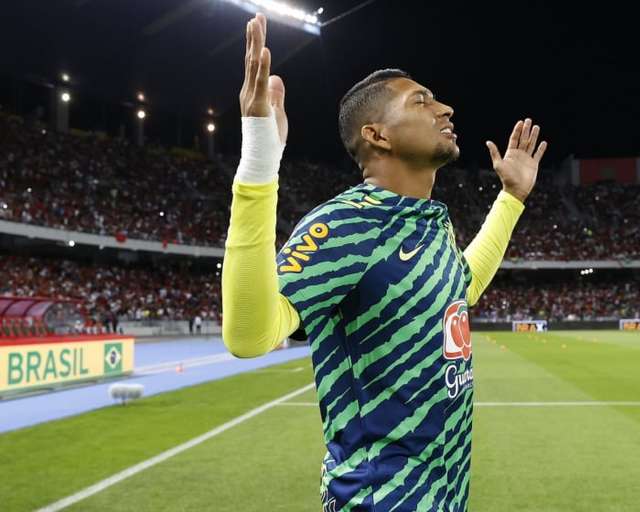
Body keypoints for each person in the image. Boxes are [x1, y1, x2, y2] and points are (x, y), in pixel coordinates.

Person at [222, 14, 547, 512]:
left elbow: (459, 288)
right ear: (377, 135)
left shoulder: (429, 221)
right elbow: (249, 337)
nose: (445, 108)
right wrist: (261, 160)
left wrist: (512, 198)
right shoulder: (342, 226)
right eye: (421, 101)